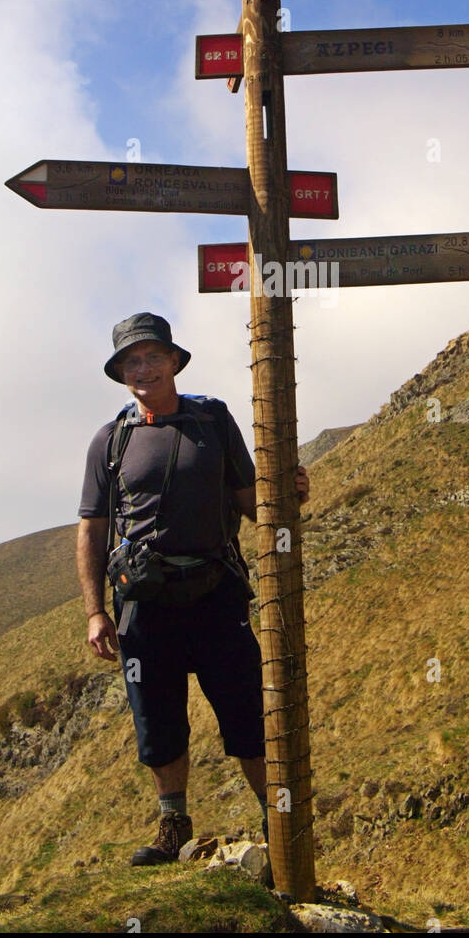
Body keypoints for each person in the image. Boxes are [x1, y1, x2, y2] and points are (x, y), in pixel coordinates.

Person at [76, 311, 309, 865]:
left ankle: (274, 821)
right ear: (121, 373)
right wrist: (94, 612)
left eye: (152, 356)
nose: (143, 367)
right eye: (132, 360)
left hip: (214, 593)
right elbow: (92, 527)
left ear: (174, 361)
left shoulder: (212, 421)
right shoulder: (109, 442)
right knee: (156, 719)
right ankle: (173, 825)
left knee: (248, 711)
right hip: (142, 604)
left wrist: (288, 497)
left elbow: (250, 501)